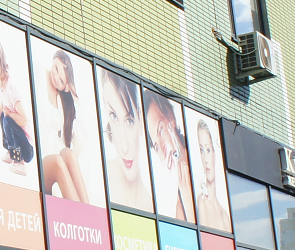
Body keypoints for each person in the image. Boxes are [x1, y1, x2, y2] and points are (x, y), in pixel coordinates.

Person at [39, 50, 91, 204]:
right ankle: (82, 215)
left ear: (65, 87)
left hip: (56, 156)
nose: (56, 78)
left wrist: (73, 95)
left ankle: (88, 212)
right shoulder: (38, 74)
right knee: (58, 161)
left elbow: (82, 133)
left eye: (62, 81)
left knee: (68, 153)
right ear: (54, 59)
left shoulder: (63, 101)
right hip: (41, 159)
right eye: (56, 68)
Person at [99, 70, 154, 212]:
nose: (124, 147)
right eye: (114, 116)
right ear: (104, 104)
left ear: (140, 118)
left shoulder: (152, 207)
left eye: (129, 121)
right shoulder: (98, 184)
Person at [0, 34, 34, 173]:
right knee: (4, 117)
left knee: (7, 119)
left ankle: (19, 161)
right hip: (19, 142)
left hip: (27, 147)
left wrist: (9, 114)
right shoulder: (2, 88)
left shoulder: (10, 88)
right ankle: (12, 152)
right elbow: (1, 111)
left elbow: (23, 119)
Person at [146, 94, 193, 222]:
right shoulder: (179, 203)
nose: (162, 150)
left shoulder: (199, 168)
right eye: (156, 146)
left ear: (172, 119)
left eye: (160, 131)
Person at [191, 115, 232, 232]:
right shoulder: (202, 202)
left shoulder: (225, 215)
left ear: (214, 153)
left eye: (208, 150)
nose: (205, 159)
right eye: (201, 150)